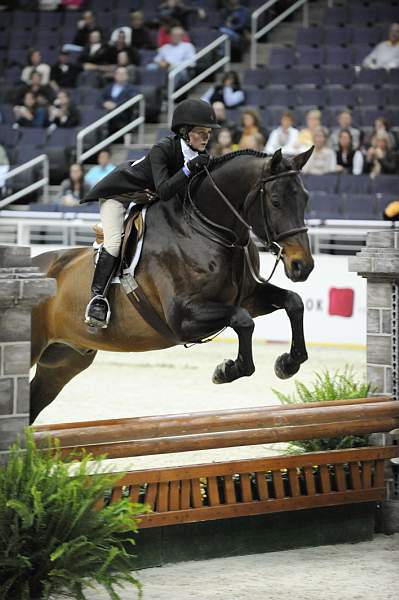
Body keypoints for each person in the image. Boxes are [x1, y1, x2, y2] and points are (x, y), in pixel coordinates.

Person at [81, 99, 220, 329]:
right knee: (115, 242)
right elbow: (165, 190)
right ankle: (98, 299)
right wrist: (189, 168)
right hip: (121, 195)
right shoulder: (163, 149)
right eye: (200, 132)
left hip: (146, 198)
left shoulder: (198, 154)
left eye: (208, 133)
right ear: (185, 132)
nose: (206, 138)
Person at [102, 67, 138, 135]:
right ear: (115, 75)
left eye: (122, 74)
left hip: (122, 115)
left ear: (127, 76)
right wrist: (105, 103)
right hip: (106, 112)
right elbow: (101, 98)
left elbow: (130, 101)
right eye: (118, 73)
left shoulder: (132, 88)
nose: (120, 76)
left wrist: (116, 105)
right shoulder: (108, 87)